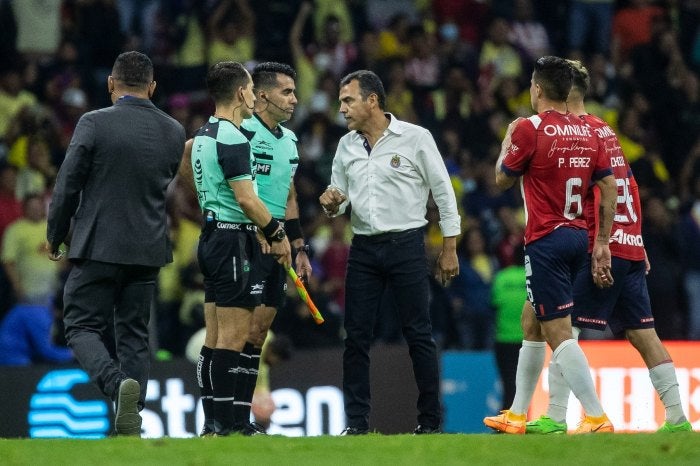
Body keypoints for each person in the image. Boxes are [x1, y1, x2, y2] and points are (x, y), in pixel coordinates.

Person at [513, 60, 692, 434]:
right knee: (644, 333)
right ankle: (677, 417)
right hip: (630, 242)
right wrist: (637, 241)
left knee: (565, 329)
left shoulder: (577, 133)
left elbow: (603, 193)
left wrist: (600, 245)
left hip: (601, 246)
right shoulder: (606, 131)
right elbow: (628, 186)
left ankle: (557, 415)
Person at [45, 51, 185, 437]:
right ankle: (131, 422)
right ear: (152, 87)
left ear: (111, 83)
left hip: (98, 246)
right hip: (147, 250)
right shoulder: (174, 131)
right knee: (135, 336)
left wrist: (56, 235)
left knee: (79, 325)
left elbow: (67, 184)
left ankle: (114, 384)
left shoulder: (93, 123)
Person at [319, 70, 461, 435]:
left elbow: (443, 192)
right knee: (355, 337)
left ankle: (430, 423)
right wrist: (331, 202)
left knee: (418, 334)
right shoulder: (345, 145)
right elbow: (339, 196)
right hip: (363, 248)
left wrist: (449, 247)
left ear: (372, 100)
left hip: (407, 246)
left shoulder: (415, 138)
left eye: (348, 100)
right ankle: (356, 424)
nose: (342, 109)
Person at [484, 56, 618, 435]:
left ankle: (595, 416)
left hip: (546, 241)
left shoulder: (530, 129)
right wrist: (602, 242)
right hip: (579, 237)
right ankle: (515, 413)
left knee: (559, 334)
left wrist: (508, 137)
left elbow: (501, 179)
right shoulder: (589, 132)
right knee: (532, 321)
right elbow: (607, 186)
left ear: (538, 89)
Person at [186, 61, 292, 436]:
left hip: (212, 235)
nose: (253, 96)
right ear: (241, 93)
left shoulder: (202, 135)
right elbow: (247, 199)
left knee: (214, 339)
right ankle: (227, 424)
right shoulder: (232, 137)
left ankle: (214, 423)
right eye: (250, 89)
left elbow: (189, 168)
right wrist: (277, 234)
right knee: (233, 337)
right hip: (233, 239)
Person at [231, 61, 312, 433]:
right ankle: (224, 415)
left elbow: (290, 195)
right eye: (287, 92)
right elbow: (192, 159)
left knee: (259, 336)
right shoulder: (240, 131)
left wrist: (298, 245)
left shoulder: (290, 140)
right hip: (245, 241)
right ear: (262, 95)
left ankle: (241, 418)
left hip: (278, 247)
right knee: (234, 333)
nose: (295, 99)